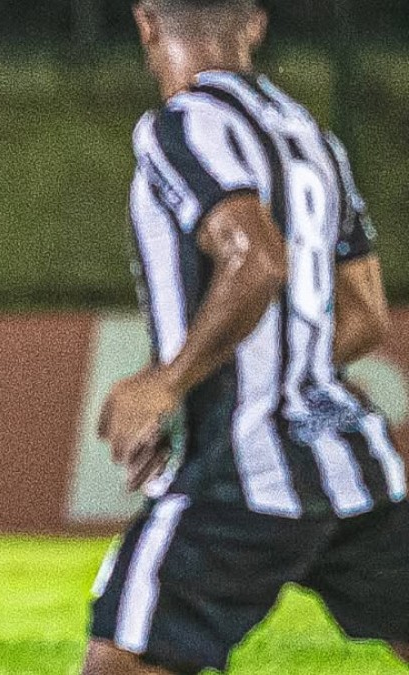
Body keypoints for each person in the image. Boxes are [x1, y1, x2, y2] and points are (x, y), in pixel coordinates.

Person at [87, 1, 409, 673]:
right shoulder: (311, 137)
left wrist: (166, 382)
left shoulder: (181, 126)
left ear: (147, 22)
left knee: (119, 661)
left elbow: (255, 258)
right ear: (255, 23)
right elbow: (365, 315)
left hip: (242, 469)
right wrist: (268, 371)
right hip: (353, 462)